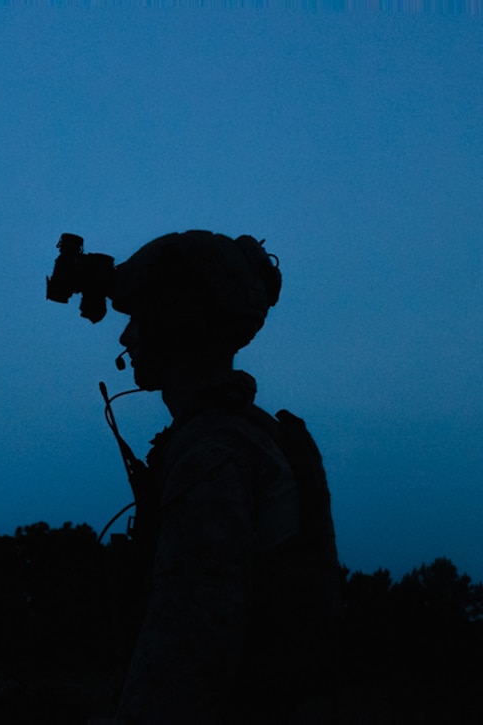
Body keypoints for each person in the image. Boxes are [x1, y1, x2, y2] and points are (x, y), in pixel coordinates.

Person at [97, 231, 341, 723]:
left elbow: (190, 644)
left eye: (139, 318)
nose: (126, 337)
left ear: (175, 323)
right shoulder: (239, 436)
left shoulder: (212, 452)